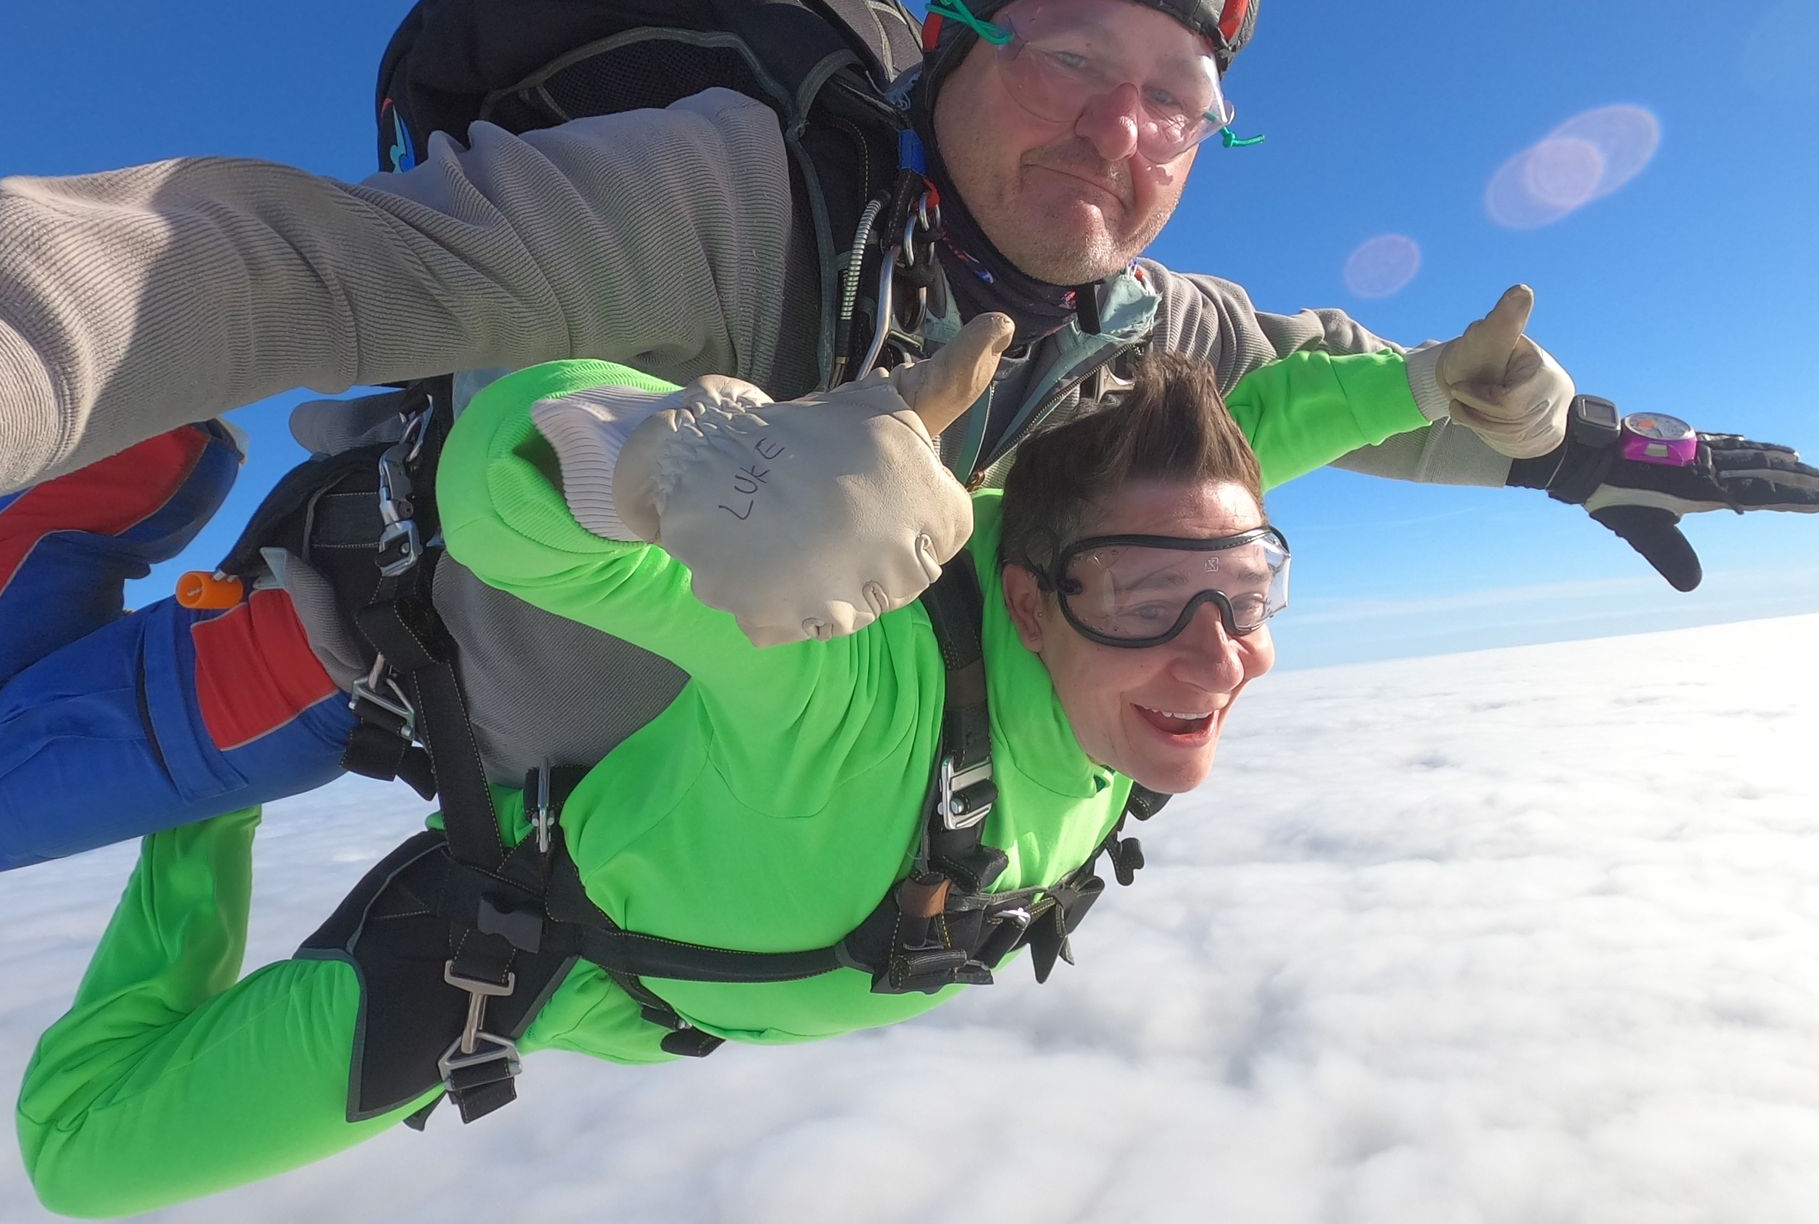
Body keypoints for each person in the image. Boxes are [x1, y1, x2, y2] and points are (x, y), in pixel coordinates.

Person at [0, 0, 1819, 870]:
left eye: (1179, 98)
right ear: (952, 39)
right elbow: (290, 265)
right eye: (1071, 54)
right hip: (343, 668)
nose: (1120, 130)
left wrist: (1587, 449)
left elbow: (1362, 387)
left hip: (595, 787)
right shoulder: (729, 195)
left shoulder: (1142, 332)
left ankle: (98, 509)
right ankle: (94, 496)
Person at [19, 287, 1507, 1216]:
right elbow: (511, 503)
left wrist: (1427, 386)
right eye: (1145, 601)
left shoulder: (1125, 637)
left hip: (666, 969)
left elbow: (1245, 444)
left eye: (1249, 592)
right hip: (516, 964)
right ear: (1031, 601)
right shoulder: (844, 677)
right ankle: (130, 602)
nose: (1217, 652)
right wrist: (682, 462)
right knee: (89, 1154)